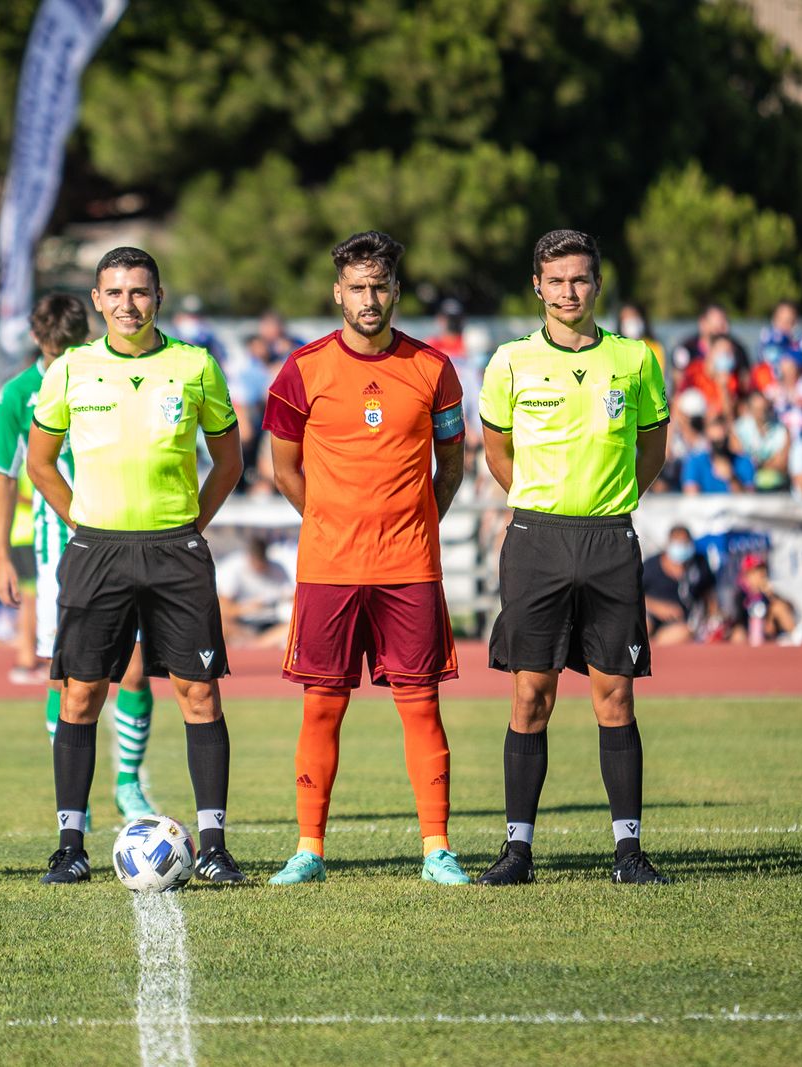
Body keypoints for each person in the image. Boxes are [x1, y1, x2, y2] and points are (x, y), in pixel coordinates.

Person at [27, 246, 245, 884]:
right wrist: (81, 522)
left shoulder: (195, 365)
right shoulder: (70, 369)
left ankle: (213, 846)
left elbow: (228, 461)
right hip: (97, 552)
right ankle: (70, 846)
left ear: (158, 297)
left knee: (198, 693)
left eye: (140, 292)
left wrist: (188, 529)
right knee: (82, 693)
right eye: (115, 293)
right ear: (97, 300)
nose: (128, 304)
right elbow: (40, 463)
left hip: (176, 550)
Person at [261, 231, 470, 887]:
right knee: (322, 706)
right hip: (329, 566)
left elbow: (454, 464)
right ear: (338, 293)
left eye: (380, 286)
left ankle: (437, 848)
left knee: (421, 704)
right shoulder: (301, 369)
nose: (369, 298)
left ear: (396, 292)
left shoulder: (434, 369)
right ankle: (309, 848)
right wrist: (332, 519)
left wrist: (413, 520)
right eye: (357, 287)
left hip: (410, 566)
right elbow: (285, 470)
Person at [477, 228, 672, 886]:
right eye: (556, 280)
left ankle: (628, 853)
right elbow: (498, 454)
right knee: (531, 694)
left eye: (580, 279)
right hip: (536, 541)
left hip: (610, 540)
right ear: (537, 285)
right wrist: (543, 507)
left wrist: (608, 505)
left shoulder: (636, 358)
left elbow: (653, 449)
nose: (568, 291)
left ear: (598, 283)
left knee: (615, 694)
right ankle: (517, 852)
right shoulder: (508, 362)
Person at [0, 292, 160, 819]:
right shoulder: (19, 394)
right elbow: (4, 477)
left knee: (132, 669)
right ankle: (71, 789)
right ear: (39, 342)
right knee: (66, 678)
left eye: (71, 347)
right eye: (54, 349)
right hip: (55, 548)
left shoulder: (104, 372)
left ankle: (128, 782)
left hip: (123, 539)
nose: (63, 358)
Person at [215, 535, 294, 648]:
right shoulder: (234, 568)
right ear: (249, 557)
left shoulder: (278, 569)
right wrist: (244, 609)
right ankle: (259, 644)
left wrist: (276, 603)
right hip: (243, 625)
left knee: (296, 625)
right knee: (219, 624)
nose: (260, 567)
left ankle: (258, 644)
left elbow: (293, 597)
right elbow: (222, 608)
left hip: (272, 624)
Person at [643, 525, 718, 645]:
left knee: (683, 633)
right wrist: (658, 607)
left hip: (684, 623)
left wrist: (713, 617)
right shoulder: (650, 566)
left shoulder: (699, 564)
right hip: (652, 618)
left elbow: (709, 594)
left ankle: (654, 646)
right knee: (644, 626)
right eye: (678, 543)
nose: (682, 547)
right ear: (669, 544)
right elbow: (633, 595)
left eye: (685, 543)